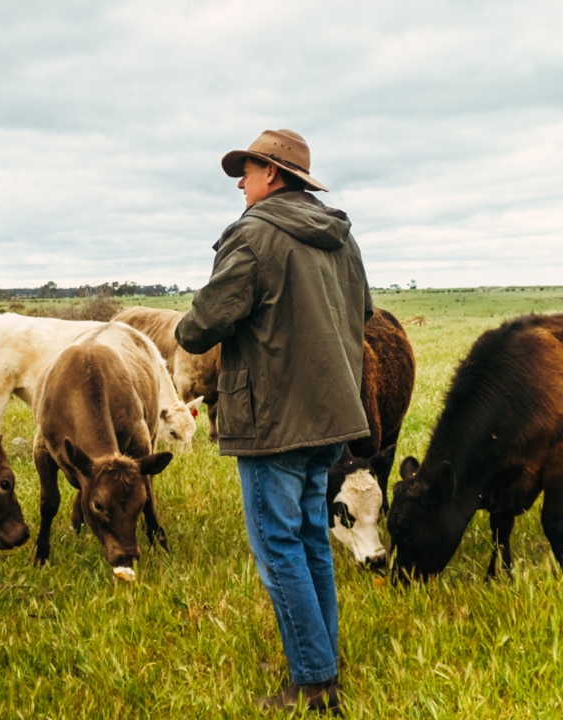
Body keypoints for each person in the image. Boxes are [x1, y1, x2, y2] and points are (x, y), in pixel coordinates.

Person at [175, 129, 372, 715]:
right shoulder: (341, 238)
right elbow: (363, 312)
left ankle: (312, 685)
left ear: (274, 175)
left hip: (273, 421)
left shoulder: (255, 237)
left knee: (278, 548)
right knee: (311, 538)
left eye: (249, 170)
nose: (240, 181)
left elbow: (199, 326)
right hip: (332, 416)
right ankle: (322, 665)